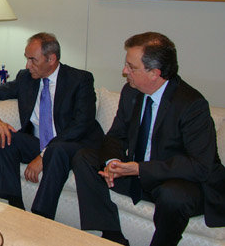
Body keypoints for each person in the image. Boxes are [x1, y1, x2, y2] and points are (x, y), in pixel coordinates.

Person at [72, 32, 225, 246]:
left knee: (173, 195)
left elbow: (201, 166)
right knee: (83, 157)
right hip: (138, 176)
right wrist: (112, 163)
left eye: (131, 67)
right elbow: (116, 135)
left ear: (155, 73)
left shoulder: (191, 105)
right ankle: (112, 235)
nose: (125, 72)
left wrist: (139, 169)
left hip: (178, 182)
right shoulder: (131, 92)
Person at [0, 32, 103, 220]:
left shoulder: (80, 80)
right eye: (27, 59)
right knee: (6, 139)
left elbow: (81, 125)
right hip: (40, 142)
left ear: (51, 59)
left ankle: (41, 218)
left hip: (73, 146)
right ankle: (15, 209)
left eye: (32, 60)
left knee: (56, 151)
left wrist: (43, 155)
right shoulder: (26, 78)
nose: (28, 65)